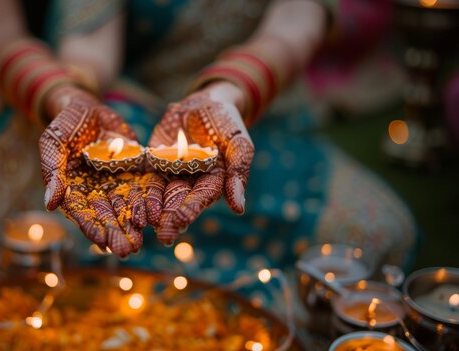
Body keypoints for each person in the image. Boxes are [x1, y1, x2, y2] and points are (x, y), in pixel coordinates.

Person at [39, 0, 419, 287]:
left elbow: (293, 25)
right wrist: (77, 97)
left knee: (378, 230)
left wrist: (226, 94)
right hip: (128, 114)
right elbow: (89, 46)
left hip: (252, 115)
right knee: (70, 223)